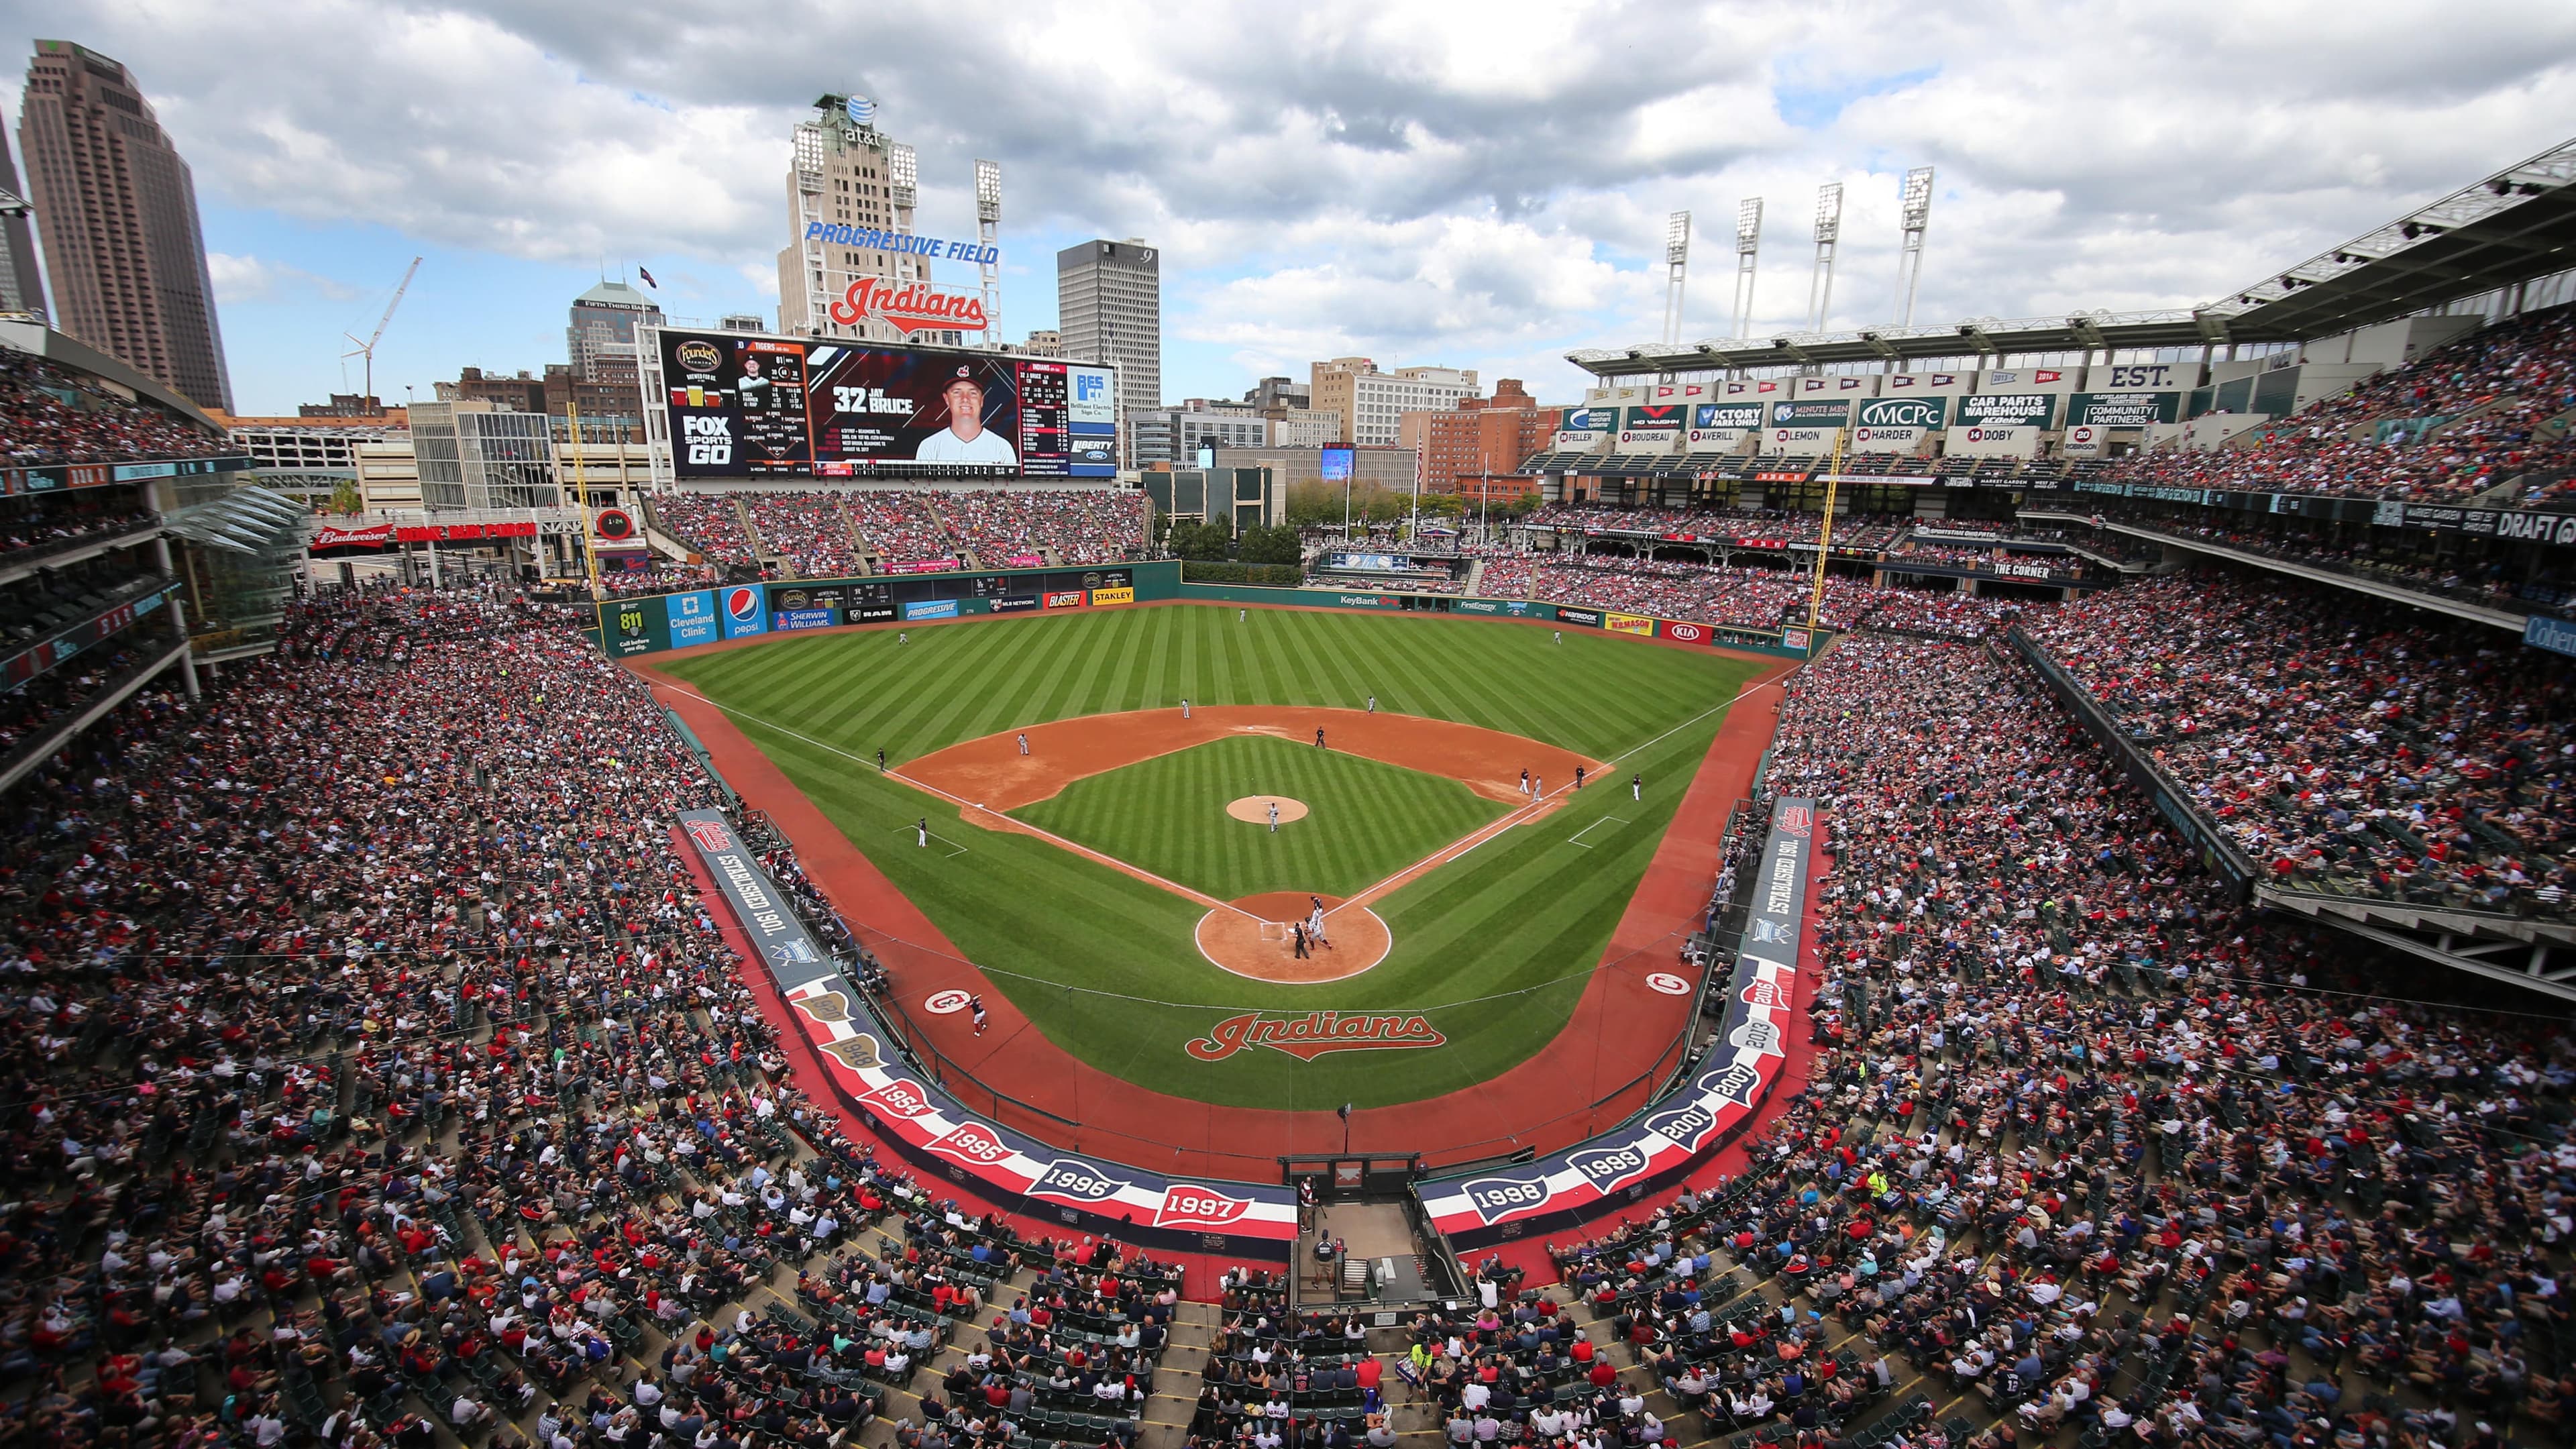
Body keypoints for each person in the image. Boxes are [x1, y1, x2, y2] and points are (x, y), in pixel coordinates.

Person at [916, 367, 1020, 467]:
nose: (965, 399)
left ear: (982, 400)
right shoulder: (929, 447)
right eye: (957, 393)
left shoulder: (1001, 448)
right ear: (947, 399)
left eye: (973, 393)